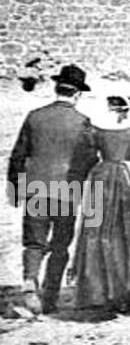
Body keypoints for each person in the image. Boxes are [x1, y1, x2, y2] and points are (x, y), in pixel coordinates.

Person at [6, 64, 96, 315]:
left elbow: (18, 156)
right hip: (66, 190)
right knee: (60, 244)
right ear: (77, 94)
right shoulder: (82, 122)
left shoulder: (34, 116)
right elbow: (89, 159)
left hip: (36, 186)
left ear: (56, 88)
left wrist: (15, 189)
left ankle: (30, 282)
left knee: (34, 242)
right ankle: (51, 295)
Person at [72, 95, 130, 314]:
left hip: (102, 176)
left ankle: (100, 291)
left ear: (109, 104)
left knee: (99, 231)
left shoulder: (95, 126)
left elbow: (84, 157)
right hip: (129, 177)